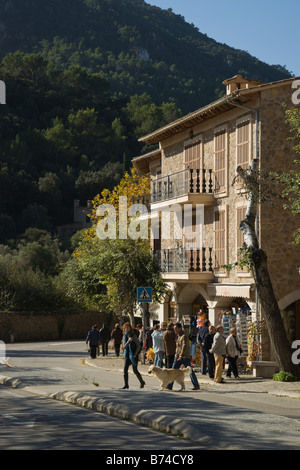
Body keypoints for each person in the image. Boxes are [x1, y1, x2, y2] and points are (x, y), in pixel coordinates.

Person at [168, 322, 200, 391]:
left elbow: (184, 346)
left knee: (190, 370)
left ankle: (196, 385)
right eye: (174, 329)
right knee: (173, 371)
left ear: (180, 328)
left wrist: (181, 355)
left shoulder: (184, 336)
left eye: (176, 328)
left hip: (184, 357)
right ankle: (170, 385)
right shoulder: (178, 336)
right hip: (177, 356)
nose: (175, 330)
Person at [121, 322, 146, 389]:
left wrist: (135, 354)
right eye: (125, 328)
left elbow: (138, 346)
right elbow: (124, 347)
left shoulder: (133, 335)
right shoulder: (124, 336)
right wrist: (128, 341)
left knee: (135, 370)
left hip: (133, 356)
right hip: (127, 355)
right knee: (125, 370)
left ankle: (142, 382)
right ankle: (126, 385)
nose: (126, 329)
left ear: (130, 328)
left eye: (128, 327)